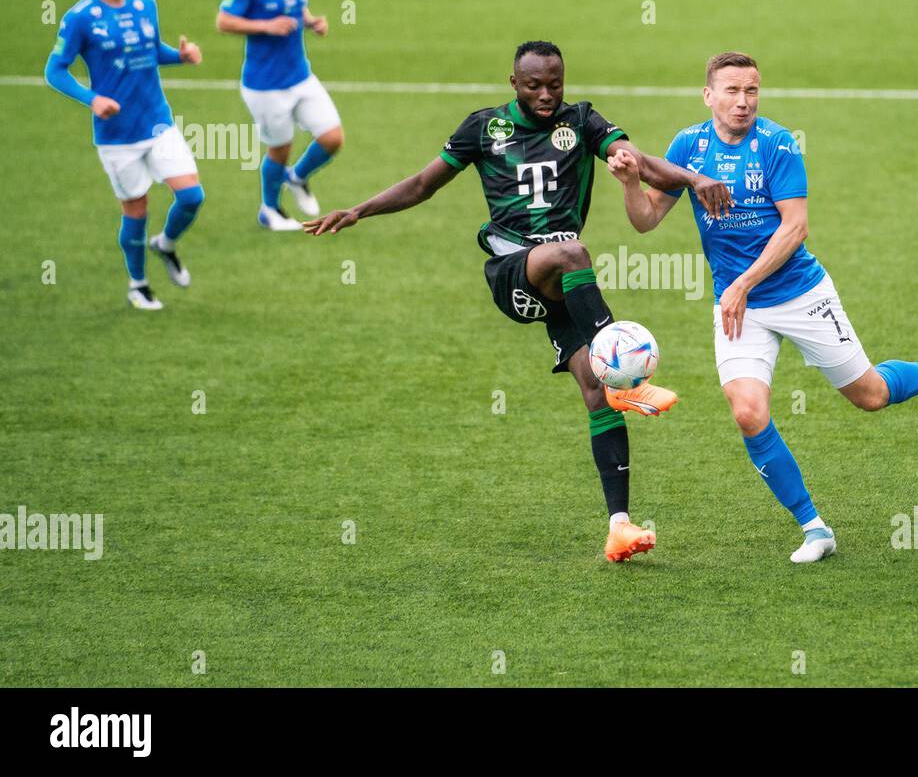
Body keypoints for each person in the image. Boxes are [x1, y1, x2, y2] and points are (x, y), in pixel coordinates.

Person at [304, 41, 733, 562]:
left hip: (560, 289)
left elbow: (642, 164)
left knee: (598, 393)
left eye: (555, 83)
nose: (547, 94)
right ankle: (628, 370)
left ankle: (619, 525)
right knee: (571, 251)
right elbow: (422, 184)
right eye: (534, 86)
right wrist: (359, 210)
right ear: (514, 83)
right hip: (513, 272)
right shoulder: (484, 128)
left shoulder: (583, 121)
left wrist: (692, 178)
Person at [614, 52, 918, 563]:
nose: (743, 101)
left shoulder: (777, 144)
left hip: (800, 295)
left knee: (870, 396)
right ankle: (815, 529)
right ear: (708, 95)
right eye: (731, 90)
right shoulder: (689, 146)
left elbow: (796, 228)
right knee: (748, 412)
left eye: (752, 90)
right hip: (738, 308)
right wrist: (628, 183)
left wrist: (744, 282)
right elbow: (644, 222)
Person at [45, 0, 205, 310]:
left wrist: (181, 57)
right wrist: (92, 99)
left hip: (157, 123)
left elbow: (151, 52)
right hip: (117, 138)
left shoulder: (145, 4)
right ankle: (138, 283)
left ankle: (165, 244)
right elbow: (54, 70)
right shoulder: (80, 18)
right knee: (136, 211)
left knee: (192, 195)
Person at [216, 0, 342, 231]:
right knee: (280, 149)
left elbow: (297, 9)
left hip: (301, 76)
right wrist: (266, 27)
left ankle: (298, 178)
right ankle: (269, 210)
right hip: (265, 85)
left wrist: (312, 22)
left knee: (332, 138)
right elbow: (223, 21)